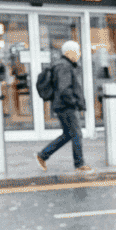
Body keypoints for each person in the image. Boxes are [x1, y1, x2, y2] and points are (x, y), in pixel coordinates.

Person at [34, 40, 92, 173]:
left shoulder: (62, 65)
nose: (79, 54)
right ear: (69, 52)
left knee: (68, 134)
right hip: (66, 106)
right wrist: (75, 102)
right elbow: (64, 88)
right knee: (76, 134)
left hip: (62, 105)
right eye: (77, 51)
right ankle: (79, 164)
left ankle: (42, 155)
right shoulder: (64, 66)